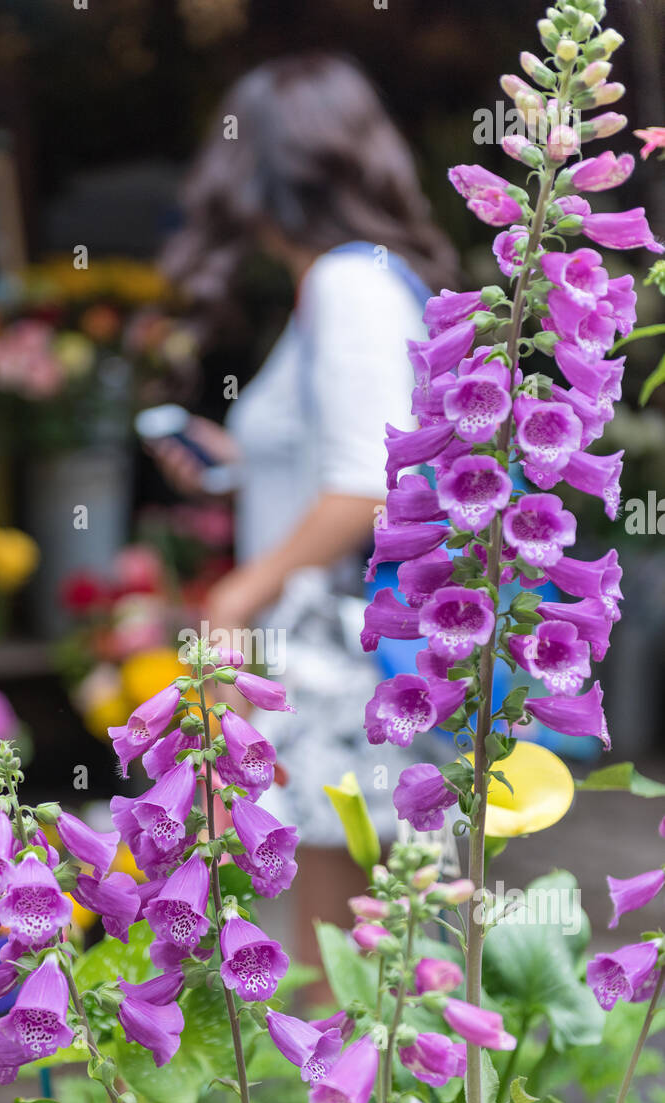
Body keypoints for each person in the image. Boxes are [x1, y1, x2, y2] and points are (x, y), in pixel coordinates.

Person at [147, 53, 458, 965]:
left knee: (345, 969)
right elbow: (357, 456)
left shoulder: (342, 284)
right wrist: (236, 464)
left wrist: (239, 595)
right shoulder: (360, 278)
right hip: (352, 652)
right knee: (376, 953)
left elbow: (364, 488)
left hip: (341, 660)